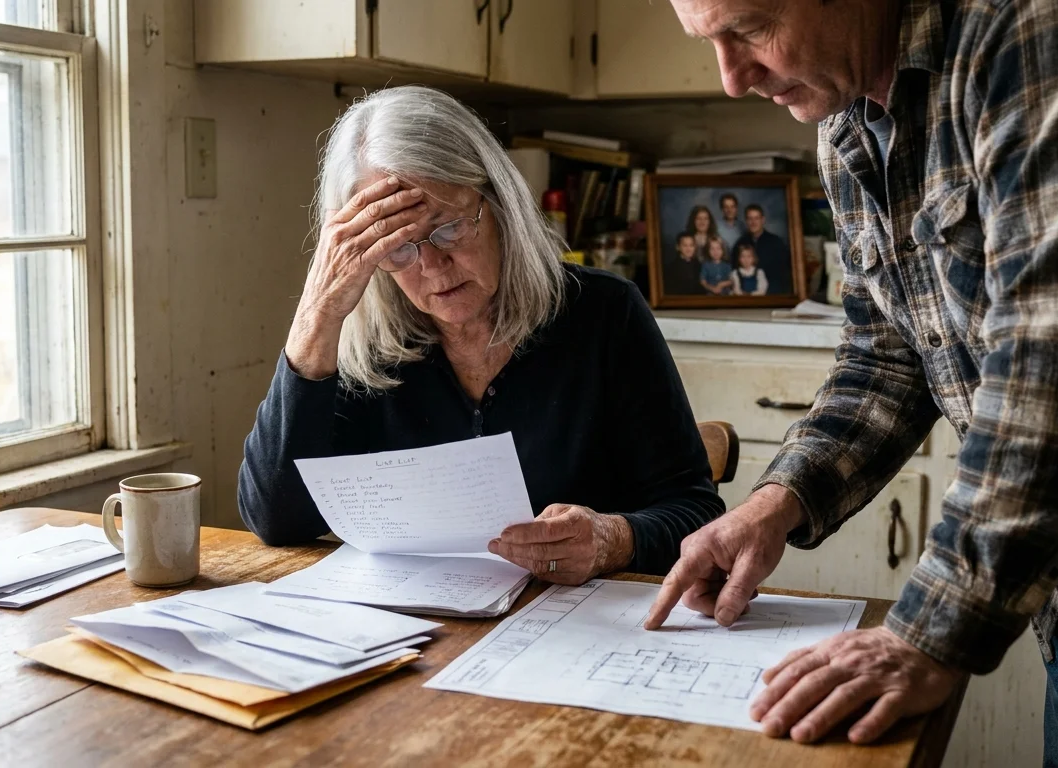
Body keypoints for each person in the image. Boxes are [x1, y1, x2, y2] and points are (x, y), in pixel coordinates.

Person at [654, 0, 1058, 762]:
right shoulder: (847, 124)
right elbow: (887, 352)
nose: (733, 79)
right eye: (709, 41)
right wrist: (777, 505)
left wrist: (924, 636)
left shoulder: (1048, 22)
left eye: (750, 29)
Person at [238, 85, 724, 587]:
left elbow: (696, 513)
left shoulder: (604, 314)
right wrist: (317, 314)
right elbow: (277, 520)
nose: (432, 267)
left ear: (499, 204)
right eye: (397, 248)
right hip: (417, 634)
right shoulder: (366, 341)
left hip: (573, 628)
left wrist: (612, 539)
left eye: (447, 228)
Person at [734, 204, 792, 294]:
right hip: (746, 295)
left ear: (763, 220)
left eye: (756, 218)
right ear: (746, 221)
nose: (753, 222)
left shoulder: (776, 242)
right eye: (750, 219)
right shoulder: (740, 243)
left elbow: (783, 273)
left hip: (773, 292)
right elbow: (735, 270)